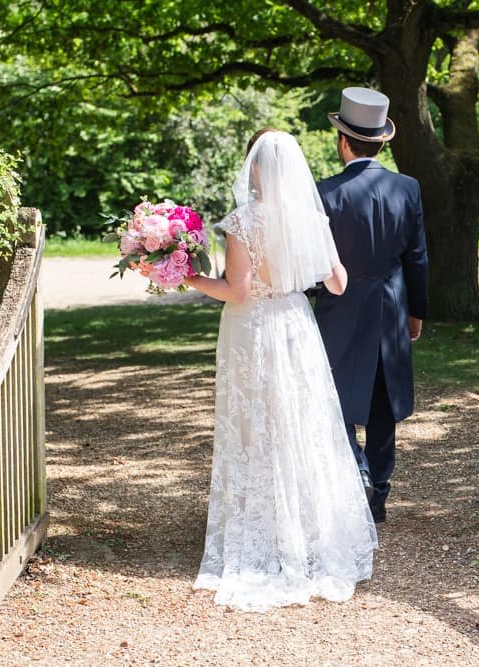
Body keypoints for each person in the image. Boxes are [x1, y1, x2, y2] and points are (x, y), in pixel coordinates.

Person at [181, 129, 377, 611]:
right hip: (295, 324)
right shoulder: (310, 217)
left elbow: (237, 290)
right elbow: (338, 283)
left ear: (255, 167)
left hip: (252, 328)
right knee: (301, 423)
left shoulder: (243, 220)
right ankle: (309, 530)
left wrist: (189, 277)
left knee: (257, 424)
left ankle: (265, 529)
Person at [314, 87, 429, 525]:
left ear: (344, 141)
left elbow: (314, 262)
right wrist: (416, 312)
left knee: (335, 397)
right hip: (391, 308)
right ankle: (378, 491)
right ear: (381, 142)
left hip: (338, 309)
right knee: (383, 402)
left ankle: (357, 471)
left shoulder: (324, 193)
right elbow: (417, 257)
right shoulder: (408, 188)